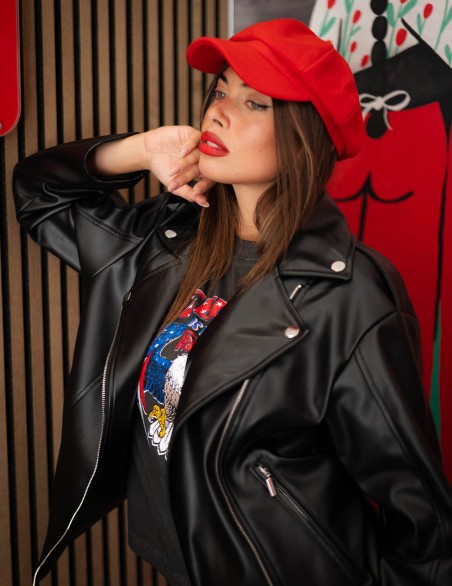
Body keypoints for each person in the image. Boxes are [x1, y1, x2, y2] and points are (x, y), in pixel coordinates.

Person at [13, 18, 452, 586]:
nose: (218, 113)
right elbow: (39, 194)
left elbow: (425, 527)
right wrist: (142, 149)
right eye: (220, 91)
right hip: (176, 563)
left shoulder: (351, 298)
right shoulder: (168, 239)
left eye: (254, 103)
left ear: (303, 135)